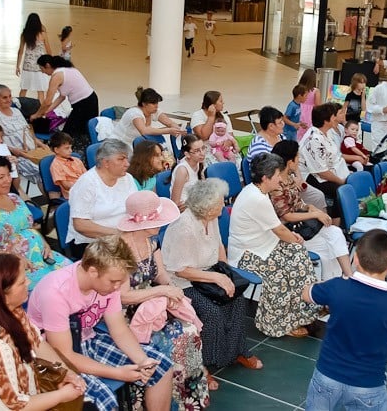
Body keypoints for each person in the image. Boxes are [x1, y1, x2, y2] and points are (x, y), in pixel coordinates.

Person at [28, 235, 174, 411]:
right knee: (104, 400)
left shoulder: (109, 283)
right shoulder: (55, 292)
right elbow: (65, 354)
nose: (118, 287)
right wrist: (118, 373)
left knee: (162, 368)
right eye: (114, 282)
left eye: (120, 281)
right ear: (92, 271)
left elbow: (119, 329)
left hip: (88, 339)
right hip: (54, 355)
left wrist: (142, 361)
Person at [0, 253, 86, 410]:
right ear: (2, 293)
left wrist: (64, 372)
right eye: (22, 282)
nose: (29, 282)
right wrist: (61, 396)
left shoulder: (7, 309)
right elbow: (13, 407)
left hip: (23, 393)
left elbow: (37, 343)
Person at [162, 179, 262, 384]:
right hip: (185, 282)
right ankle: (203, 365)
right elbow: (180, 271)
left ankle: (237, 351)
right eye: (219, 203)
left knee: (236, 301)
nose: (224, 206)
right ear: (205, 207)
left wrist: (224, 270)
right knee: (212, 314)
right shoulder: (184, 227)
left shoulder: (212, 218)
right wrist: (216, 277)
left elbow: (218, 246)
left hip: (208, 274)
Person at [303, 230, 387, 411]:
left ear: (355, 259)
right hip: (368, 384)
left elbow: (306, 294)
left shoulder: (338, 286)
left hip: (327, 376)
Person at [117, 191, 209, 408]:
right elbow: (123, 296)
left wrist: (173, 290)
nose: (161, 223)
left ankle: (184, 397)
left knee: (190, 329)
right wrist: (162, 293)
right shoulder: (119, 249)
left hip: (151, 304)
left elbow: (160, 275)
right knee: (173, 338)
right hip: (126, 313)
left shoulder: (151, 241)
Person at [229, 153, 320, 338]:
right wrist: (293, 237)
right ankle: (276, 324)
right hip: (247, 253)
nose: (280, 178)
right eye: (278, 175)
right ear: (265, 178)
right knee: (280, 273)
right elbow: (279, 230)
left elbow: (275, 228)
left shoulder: (258, 192)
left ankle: (302, 313)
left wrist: (293, 239)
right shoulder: (257, 198)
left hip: (264, 244)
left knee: (298, 255)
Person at [0, 155, 68, 289]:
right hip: (13, 265)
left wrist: (44, 242)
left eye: (8, 175)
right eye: (1, 177)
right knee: (55, 288)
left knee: (74, 276)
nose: (7, 181)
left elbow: (28, 227)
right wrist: (10, 256)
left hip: (41, 255)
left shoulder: (14, 198)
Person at [271, 140, 352, 279]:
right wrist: (313, 214)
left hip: (299, 224)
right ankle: (332, 286)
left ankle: (348, 276)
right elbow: (286, 216)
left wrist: (310, 207)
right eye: (297, 157)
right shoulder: (276, 185)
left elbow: (297, 204)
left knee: (335, 232)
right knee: (328, 248)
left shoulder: (289, 179)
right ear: (290, 162)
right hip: (289, 231)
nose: (299, 160)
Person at [67, 139, 137, 256]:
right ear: (106, 163)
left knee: (151, 248)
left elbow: (135, 206)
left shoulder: (127, 178)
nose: (127, 164)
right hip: (92, 242)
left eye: (126, 158)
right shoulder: (87, 183)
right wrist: (118, 234)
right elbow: (80, 225)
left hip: (122, 236)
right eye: (121, 159)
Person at [0, 84, 47, 189]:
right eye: (4, 97)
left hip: (33, 151)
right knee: (42, 171)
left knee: (52, 165)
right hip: (15, 156)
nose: (9, 99)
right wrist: (14, 151)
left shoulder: (16, 111)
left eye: (10, 96)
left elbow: (28, 132)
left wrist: (40, 144)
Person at [33, 54, 99, 150]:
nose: (43, 72)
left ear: (47, 65)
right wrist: (46, 112)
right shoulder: (66, 68)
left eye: (42, 68)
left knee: (68, 133)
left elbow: (47, 101)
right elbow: (62, 97)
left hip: (83, 104)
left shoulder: (57, 76)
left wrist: (36, 115)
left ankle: (70, 152)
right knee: (83, 131)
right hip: (91, 99)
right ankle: (80, 150)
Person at [299, 104, 351, 219]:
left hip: (328, 170)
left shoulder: (327, 132)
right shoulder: (314, 139)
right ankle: (336, 223)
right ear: (325, 120)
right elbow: (321, 172)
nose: (336, 119)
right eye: (333, 116)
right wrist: (340, 181)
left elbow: (335, 157)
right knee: (341, 190)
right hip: (310, 175)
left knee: (352, 180)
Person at [112, 87, 185, 147]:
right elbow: (144, 131)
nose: (156, 106)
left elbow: (170, 123)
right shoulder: (134, 113)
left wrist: (178, 129)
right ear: (144, 104)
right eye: (153, 103)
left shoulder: (154, 111)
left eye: (157, 103)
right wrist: (168, 131)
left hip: (136, 144)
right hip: (120, 144)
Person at [16, 13, 51, 102]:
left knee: (24, 88)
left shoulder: (24, 34)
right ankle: (40, 110)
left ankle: (21, 106)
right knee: (40, 91)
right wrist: (51, 64)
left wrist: (17, 66)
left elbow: (20, 51)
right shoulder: (43, 34)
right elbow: (48, 50)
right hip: (40, 66)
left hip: (27, 65)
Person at [170, 135, 206, 210]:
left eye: (203, 148)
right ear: (187, 154)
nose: (202, 153)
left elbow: (203, 187)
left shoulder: (199, 162)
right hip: (185, 209)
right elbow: (175, 203)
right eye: (197, 151)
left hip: (195, 204)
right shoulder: (182, 170)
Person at [48, 131, 86, 199]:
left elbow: (87, 175)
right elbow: (66, 185)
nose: (70, 151)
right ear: (56, 150)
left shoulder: (77, 160)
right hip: (73, 195)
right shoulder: (56, 165)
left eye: (71, 147)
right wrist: (82, 186)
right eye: (67, 148)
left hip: (86, 189)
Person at [296, 69, 322, 141]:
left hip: (300, 109)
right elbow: (317, 105)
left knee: (300, 129)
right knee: (309, 130)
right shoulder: (315, 91)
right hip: (310, 113)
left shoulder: (298, 88)